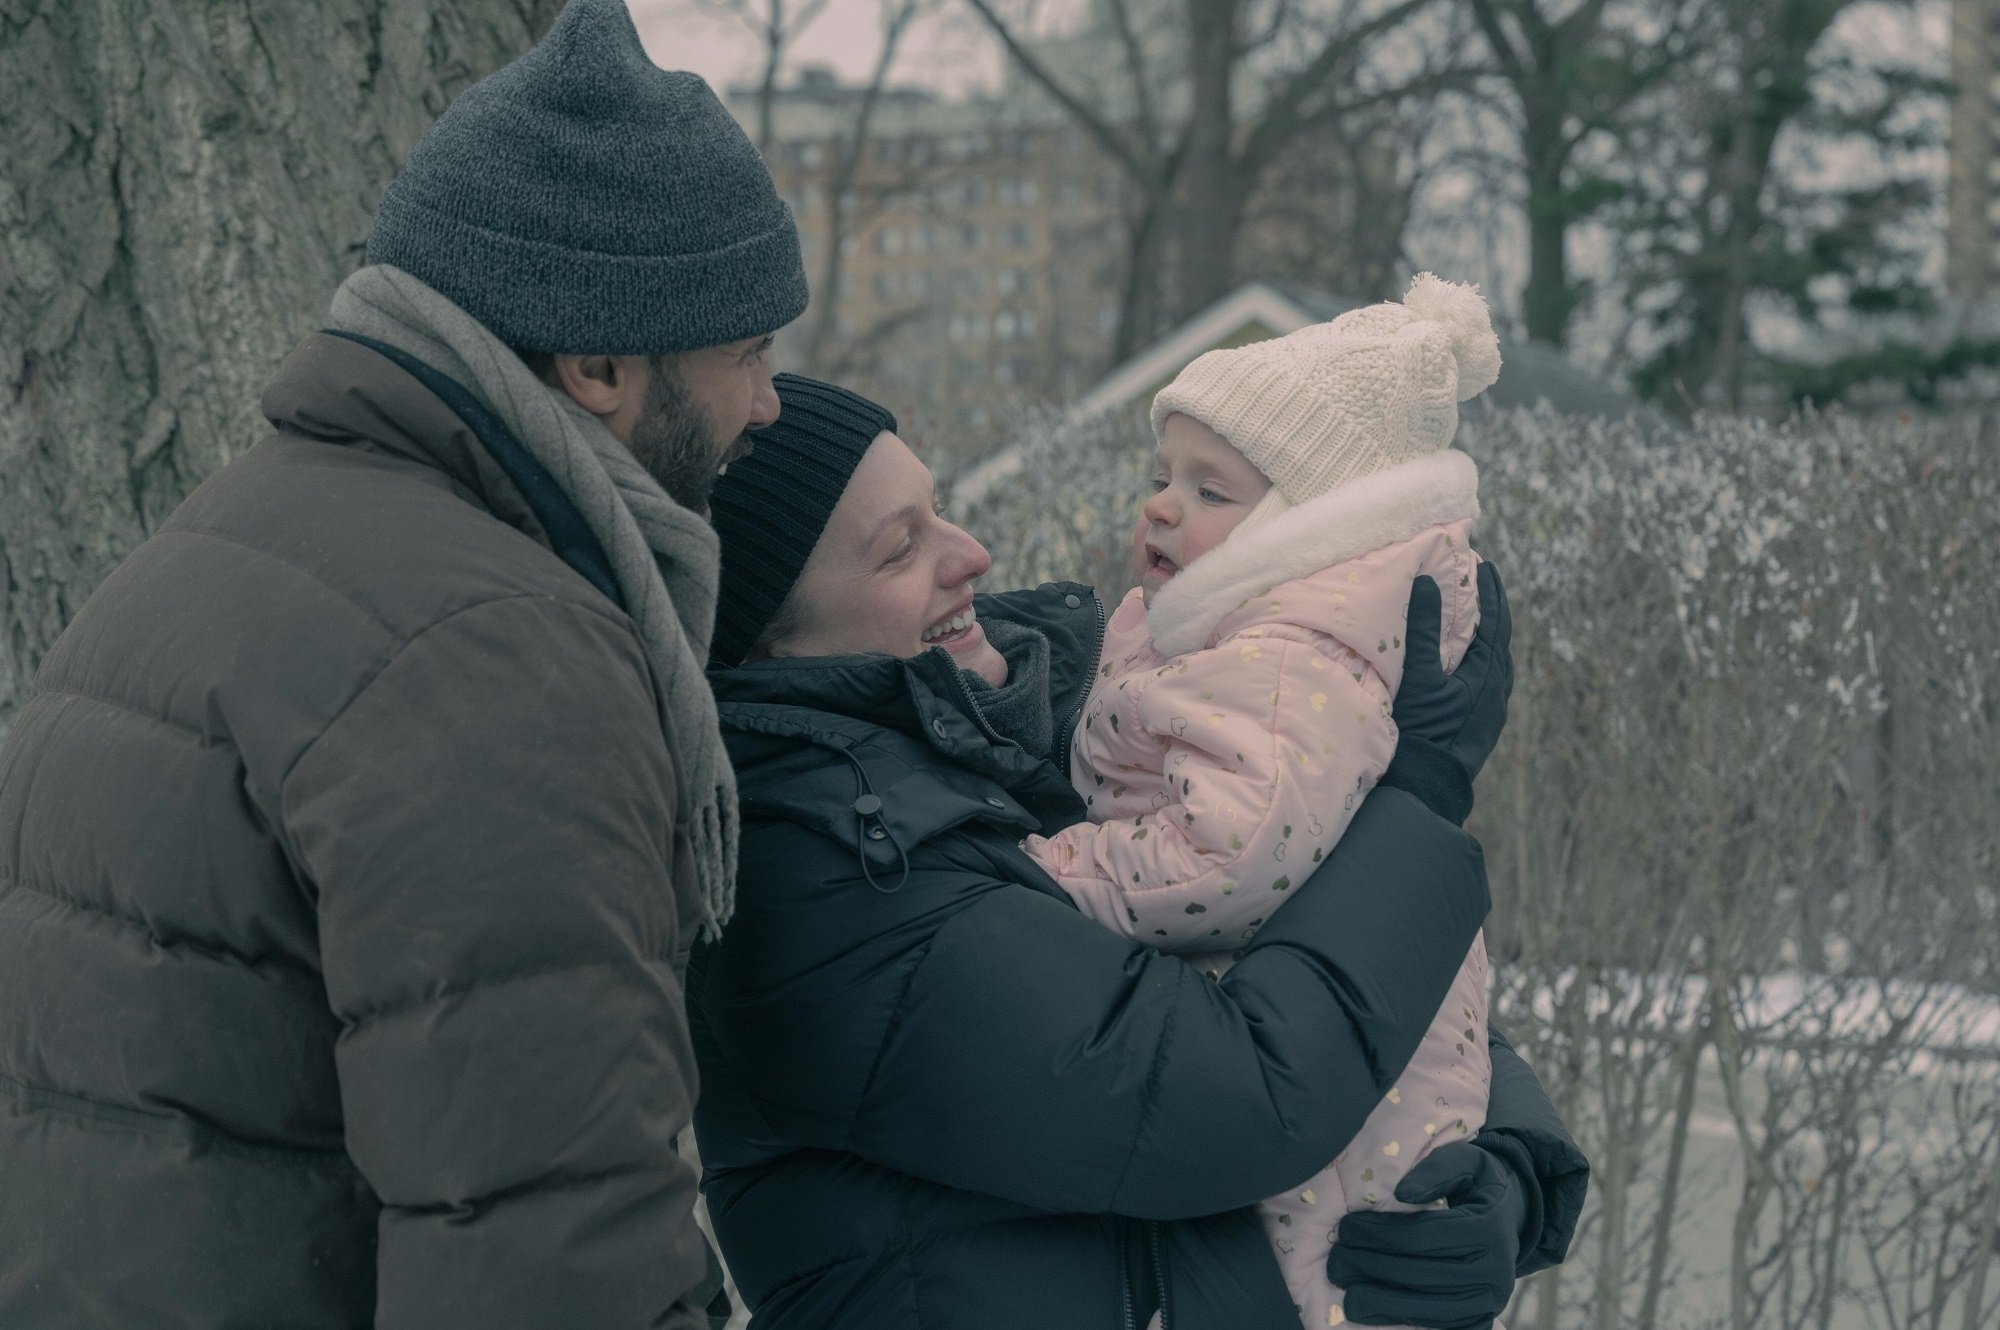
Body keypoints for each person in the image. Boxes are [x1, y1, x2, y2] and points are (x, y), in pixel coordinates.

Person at [0, 1, 800, 1326]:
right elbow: (550, 1251)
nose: (769, 403)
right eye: (747, 353)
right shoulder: (489, 653)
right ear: (596, 363)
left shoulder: (223, 554)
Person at [694, 374, 1589, 1330]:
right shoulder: (816, 877)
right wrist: (1418, 804)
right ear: (768, 649)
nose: (972, 554)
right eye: (899, 549)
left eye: (939, 509)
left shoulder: (1020, 730)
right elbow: (1229, 1095)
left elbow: (1302, 951)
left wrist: (1503, 1164)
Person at [1023, 275, 1505, 1329]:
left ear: (1311, 531)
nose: (1159, 504)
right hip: (1317, 1029)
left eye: (1210, 490)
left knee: (1316, 1278)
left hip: (1320, 1099)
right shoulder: (1233, 645)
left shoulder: (1284, 665)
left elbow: (1223, 858)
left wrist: (1046, 866)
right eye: (1163, 476)